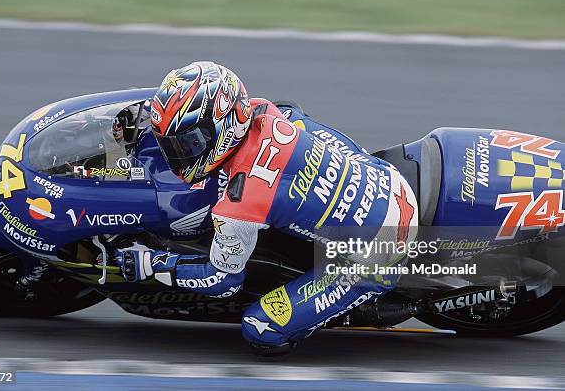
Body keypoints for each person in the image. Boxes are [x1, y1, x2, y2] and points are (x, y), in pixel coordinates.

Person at [115, 61, 419, 354]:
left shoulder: (240, 204)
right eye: (173, 146)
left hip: (381, 250)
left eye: (189, 144)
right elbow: (292, 114)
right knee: (298, 119)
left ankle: (360, 305)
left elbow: (222, 282)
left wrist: (153, 264)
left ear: (223, 126)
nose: (179, 155)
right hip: (388, 181)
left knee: (261, 329)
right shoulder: (264, 109)